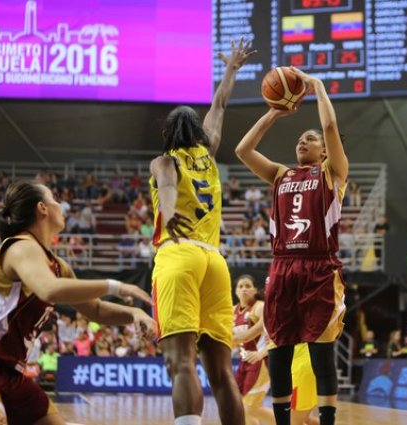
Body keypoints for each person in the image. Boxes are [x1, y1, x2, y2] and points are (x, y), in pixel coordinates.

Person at [0, 180, 156, 424]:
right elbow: (49, 289)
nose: (60, 205)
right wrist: (117, 286)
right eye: (54, 199)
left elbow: (96, 308)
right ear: (42, 208)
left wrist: (134, 314)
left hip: (11, 375)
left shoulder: (58, 266)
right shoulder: (19, 247)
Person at [150, 37, 254, 425]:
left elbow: (166, 184)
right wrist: (231, 69)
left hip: (179, 254)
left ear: (169, 133)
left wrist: (170, 211)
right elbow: (219, 104)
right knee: (223, 372)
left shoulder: (164, 159)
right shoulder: (208, 153)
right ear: (196, 131)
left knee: (181, 363)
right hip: (215, 261)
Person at [235, 67, 348, 425]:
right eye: (300, 138)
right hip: (282, 267)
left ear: (323, 149)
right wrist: (273, 111)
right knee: (279, 350)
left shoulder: (332, 172)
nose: (303, 141)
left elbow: (330, 128)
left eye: (310, 139)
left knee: (321, 353)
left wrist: (316, 87)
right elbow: (243, 149)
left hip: (319, 267)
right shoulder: (281, 174)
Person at [232, 275, 274, 425]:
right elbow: (232, 341)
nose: (244, 289)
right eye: (240, 286)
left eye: (248, 286)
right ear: (235, 291)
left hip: (261, 361)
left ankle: (293, 422)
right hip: (245, 362)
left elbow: (273, 336)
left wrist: (260, 353)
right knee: (239, 406)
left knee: (249, 407)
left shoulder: (260, 307)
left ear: (255, 290)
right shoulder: (232, 311)